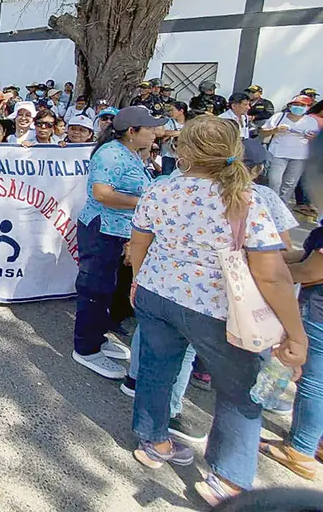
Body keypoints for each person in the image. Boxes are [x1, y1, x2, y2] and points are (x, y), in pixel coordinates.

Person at [128, 117, 306, 506]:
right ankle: (227, 476)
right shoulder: (246, 199)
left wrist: (139, 280)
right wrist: (296, 332)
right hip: (219, 307)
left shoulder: (160, 190)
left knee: (157, 370)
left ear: (184, 150)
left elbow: (138, 243)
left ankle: (153, 439)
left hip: (157, 293)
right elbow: (271, 274)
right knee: (239, 390)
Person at [72, 106, 166, 379]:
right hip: (103, 230)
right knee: (95, 288)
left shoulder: (132, 153)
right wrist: (144, 203)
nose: (155, 132)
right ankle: (86, 348)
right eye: (149, 129)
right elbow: (102, 193)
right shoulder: (111, 154)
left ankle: (98, 336)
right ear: (132, 132)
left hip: (123, 231)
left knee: (111, 289)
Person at [260, 219, 323, 479]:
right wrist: (277, 258)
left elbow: (312, 271)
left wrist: (268, 276)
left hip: (319, 314)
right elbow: (307, 255)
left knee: (313, 381)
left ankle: (301, 449)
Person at [261, 94, 319, 202]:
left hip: (300, 156)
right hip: (278, 154)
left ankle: (283, 206)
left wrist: (313, 138)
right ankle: (271, 203)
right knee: (274, 181)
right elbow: (263, 132)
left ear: (308, 107)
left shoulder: (311, 121)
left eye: (302, 105)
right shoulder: (278, 117)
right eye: (296, 104)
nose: (298, 107)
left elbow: (317, 138)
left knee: (290, 184)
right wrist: (275, 130)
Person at [160, 101, 189, 175]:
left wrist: (173, 134)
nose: (170, 112)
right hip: (168, 155)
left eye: (172, 110)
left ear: (181, 111)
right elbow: (164, 132)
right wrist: (182, 133)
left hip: (183, 157)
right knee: (166, 176)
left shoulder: (189, 123)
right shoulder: (168, 122)